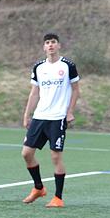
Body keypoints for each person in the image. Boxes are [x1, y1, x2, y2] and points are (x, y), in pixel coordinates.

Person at [20, 33, 80, 208]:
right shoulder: (39, 67)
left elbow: (76, 90)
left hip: (57, 117)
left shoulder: (68, 65)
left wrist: (70, 112)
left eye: (53, 42)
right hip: (40, 117)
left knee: (55, 156)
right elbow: (34, 93)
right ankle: (39, 188)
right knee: (26, 153)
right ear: (44, 47)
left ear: (59, 45)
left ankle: (58, 198)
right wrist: (27, 115)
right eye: (47, 43)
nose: (50, 45)